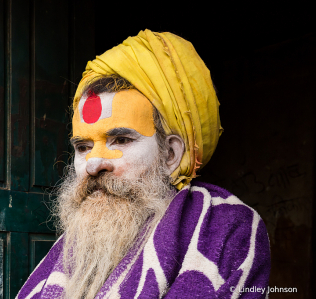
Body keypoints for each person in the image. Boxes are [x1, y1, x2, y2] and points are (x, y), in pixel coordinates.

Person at [16, 30, 270, 299]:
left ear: (170, 154)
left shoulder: (226, 229)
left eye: (121, 140)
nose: (94, 165)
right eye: (83, 147)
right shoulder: (78, 241)